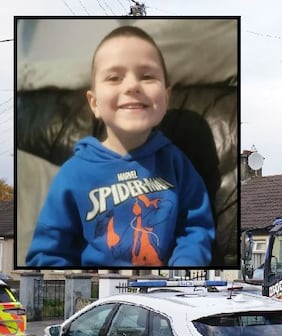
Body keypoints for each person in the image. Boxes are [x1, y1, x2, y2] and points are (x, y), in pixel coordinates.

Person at [25, 25, 215, 267]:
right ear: (94, 104)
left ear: (166, 99)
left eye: (147, 76)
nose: (132, 86)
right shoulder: (73, 174)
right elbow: (47, 254)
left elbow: (195, 229)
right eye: (114, 77)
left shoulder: (175, 162)